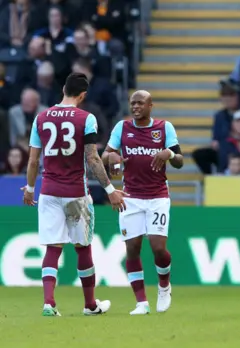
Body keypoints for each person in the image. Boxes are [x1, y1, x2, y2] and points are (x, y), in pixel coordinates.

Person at [22, 72, 127, 317]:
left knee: (52, 248)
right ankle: (90, 305)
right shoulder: (86, 118)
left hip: (48, 191)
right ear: (82, 95)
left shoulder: (41, 118)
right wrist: (110, 190)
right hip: (76, 193)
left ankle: (49, 303)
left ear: (63, 89)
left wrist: (29, 189)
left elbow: (33, 161)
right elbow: (92, 158)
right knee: (83, 248)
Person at [101, 90, 184, 315]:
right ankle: (141, 302)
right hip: (131, 197)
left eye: (140, 103)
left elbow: (180, 161)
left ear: (150, 106)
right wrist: (112, 157)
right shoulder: (122, 128)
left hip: (157, 196)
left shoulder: (164, 128)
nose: (136, 107)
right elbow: (104, 156)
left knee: (158, 248)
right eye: (132, 103)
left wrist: (168, 153)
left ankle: (164, 285)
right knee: (132, 248)